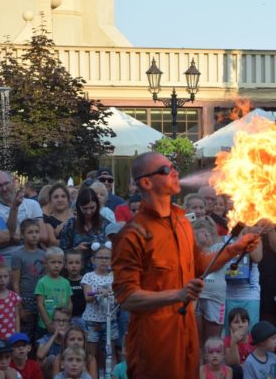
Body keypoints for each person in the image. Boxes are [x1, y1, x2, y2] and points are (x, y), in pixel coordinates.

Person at [111, 152, 260, 379]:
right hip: (154, 341)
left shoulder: (182, 221)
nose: (175, 173)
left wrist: (234, 248)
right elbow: (127, 296)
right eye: (164, 170)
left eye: (173, 167)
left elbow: (199, 264)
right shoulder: (132, 235)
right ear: (146, 182)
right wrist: (176, 295)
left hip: (186, 337)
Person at [0, 171, 48, 264]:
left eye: (6, 183)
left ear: (13, 182)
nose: (4, 188)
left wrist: (17, 238)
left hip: (31, 257)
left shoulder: (32, 204)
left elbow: (43, 236)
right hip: (7, 259)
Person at [192, 219, 228, 349]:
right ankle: (198, 368)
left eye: (205, 233)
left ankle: (210, 368)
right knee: (196, 342)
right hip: (195, 297)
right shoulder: (190, 250)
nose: (202, 236)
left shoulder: (219, 247)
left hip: (215, 297)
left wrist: (206, 246)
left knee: (212, 342)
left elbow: (217, 263)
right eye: (198, 234)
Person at [81, 242, 118, 368]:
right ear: (93, 259)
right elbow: (87, 296)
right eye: (100, 258)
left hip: (110, 320)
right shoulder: (89, 276)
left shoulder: (114, 277)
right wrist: (99, 292)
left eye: (107, 258)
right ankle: (92, 374)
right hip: (92, 321)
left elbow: (119, 298)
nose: (103, 261)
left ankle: (112, 375)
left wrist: (114, 295)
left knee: (110, 351)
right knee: (92, 352)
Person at [11, 219, 46, 342]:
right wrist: (19, 306)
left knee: (41, 334)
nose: (34, 235)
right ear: (22, 235)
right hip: (26, 299)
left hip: (42, 298)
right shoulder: (18, 255)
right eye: (30, 232)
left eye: (37, 231)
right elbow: (15, 282)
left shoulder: (44, 254)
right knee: (26, 333)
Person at [59, 188, 110, 266]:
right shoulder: (71, 224)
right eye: (85, 208)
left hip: (101, 272)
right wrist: (76, 250)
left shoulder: (106, 224)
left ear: (97, 205)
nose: (88, 212)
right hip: (76, 273)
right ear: (79, 207)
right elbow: (61, 253)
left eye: (92, 208)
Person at [35, 247, 73, 336]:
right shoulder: (42, 282)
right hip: (45, 325)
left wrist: (67, 319)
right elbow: (40, 304)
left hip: (62, 324)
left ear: (64, 264)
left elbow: (69, 303)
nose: (56, 265)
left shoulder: (66, 282)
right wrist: (48, 323)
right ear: (45, 264)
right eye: (53, 262)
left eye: (59, 262)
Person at [224, 307, 254, 376]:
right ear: (230, 326)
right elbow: (233, 364)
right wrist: (233, 342)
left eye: (244, 321)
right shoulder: (227, 341)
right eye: (236, 322)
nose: (241, 325)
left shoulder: (254, 339)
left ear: (248, 324)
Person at [63, 250, 86, 327]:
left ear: (82, 265)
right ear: (65, 265)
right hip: (68, 319)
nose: (74, 266)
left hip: (85, 318)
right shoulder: (63, 282)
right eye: (70, 263)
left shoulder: (87, 281)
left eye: (77, 262)